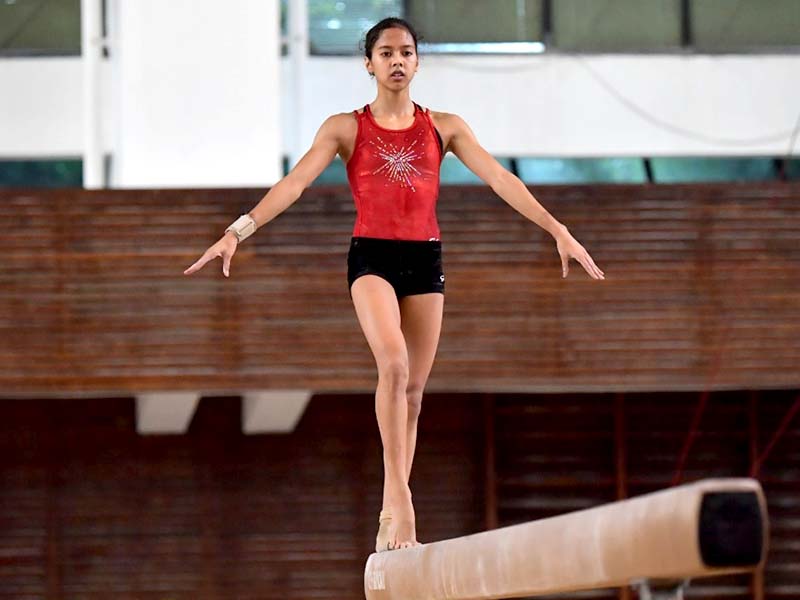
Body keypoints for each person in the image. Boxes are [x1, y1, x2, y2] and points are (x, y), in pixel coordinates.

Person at [184, 17, 604, 553]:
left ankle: (393, 504)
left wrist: (557, 229)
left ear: (417, 62)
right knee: (395, 364)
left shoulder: (444, 127)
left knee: (414, 394)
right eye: (386, 52)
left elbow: (501, 179)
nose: (397, 60)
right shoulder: (345, 128)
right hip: (372, 258)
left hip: (425, 259)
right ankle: (400, 500)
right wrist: (236, 232)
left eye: (406, 51)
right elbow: (295, 182)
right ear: (369, 63)